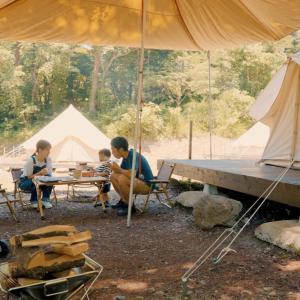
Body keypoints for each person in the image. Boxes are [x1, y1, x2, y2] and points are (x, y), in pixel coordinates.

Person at [110, 136, 154, 216]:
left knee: (122, 179)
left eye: (113, 149)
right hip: (138, 182)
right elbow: (120, 173)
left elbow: (131, 174)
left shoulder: (133, 156)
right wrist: (112, 168)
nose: (112, 152)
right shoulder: (125, 157)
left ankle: (130, 207)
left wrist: (118, 169)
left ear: (120, 149)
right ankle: (124, 201)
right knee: (113, 176)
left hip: (147, 184)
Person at [19, 139, 53, 209]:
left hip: (40, 180)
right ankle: (34, 201)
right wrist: (40, 173)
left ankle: (45, 200)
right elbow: (28, 177)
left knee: (50, 179)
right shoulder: (31, 160)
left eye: (49, 150)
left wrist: (46, 174)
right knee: (35, 181)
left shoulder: (48, 159)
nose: (49, 152)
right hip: (26, 181)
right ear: (40, 150)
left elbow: (49, 174)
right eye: (47, 150)